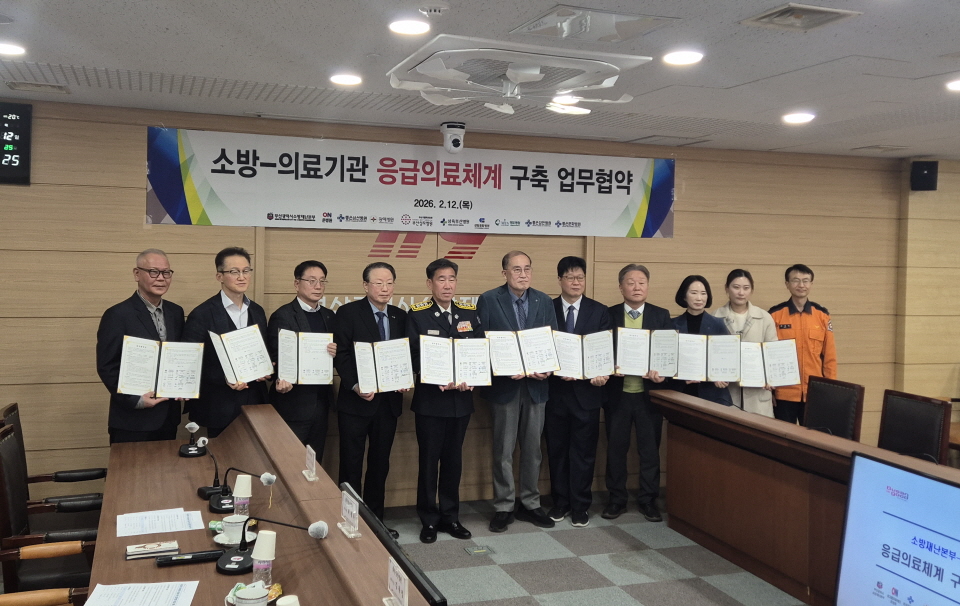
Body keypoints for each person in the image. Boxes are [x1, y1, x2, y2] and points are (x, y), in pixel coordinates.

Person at [477, 251, 558, 532]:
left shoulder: (544, 301)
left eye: (527, 269)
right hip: (505, 386)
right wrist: (499, 368)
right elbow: (481, 342)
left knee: (533, 449)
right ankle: (504, 506)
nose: (523, 275)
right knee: (504, 449)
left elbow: (552, 340)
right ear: (505, 273)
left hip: (536, 386)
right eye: (516, 269)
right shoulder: (489, 299)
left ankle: (531, 503)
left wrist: (547, 368)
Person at [406, 259, 481, 544]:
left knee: (453, 461)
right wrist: (433, 376)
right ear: (430, 284)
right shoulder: (418, 314)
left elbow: (479, 350)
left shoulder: (469, 313)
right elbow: (412, 355)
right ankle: (428, 519)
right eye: (441, 279)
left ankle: (451, 517)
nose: (447, 285)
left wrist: (472, 377)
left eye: (452, 279)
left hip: (460, 401)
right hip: (430, 402)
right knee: (429, 462)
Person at [333, 262, 407, 535]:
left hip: (387, 405)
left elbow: (405, 354)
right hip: (355, 403)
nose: (385, 288)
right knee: (351, 464)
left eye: (389, 283)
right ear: (365, 286)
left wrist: (404, 378)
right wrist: (354, 385)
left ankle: (376, 522)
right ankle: (349, 520)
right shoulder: (348, 313)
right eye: (378, 283)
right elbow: (341, 354)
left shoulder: (400, 316)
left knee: (379, 465)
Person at [602, 263, 673, 522]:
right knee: (616, 449)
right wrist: (608, 367)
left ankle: (648, 500)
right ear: (621, 287)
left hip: (648, 395)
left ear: (648, 286)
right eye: (630, 282)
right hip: (617, 394)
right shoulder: (607, 314)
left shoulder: (661, 315)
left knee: (650, 451)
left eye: (641, 282)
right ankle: (616, 499)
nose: (636, 287)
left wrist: (663, 373)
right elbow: (600, 350)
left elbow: (668, 353)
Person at [545, 256, 611, 528]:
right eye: (570, 277)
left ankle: (580, 506)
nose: (576, 282)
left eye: (580, 277)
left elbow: (605, 350)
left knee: (584, 453)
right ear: (559, 280)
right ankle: (560, 502)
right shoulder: (546, 309)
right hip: (555, 393)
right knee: (557, 450)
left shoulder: (599, 311)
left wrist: (602, 373)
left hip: (587, 394)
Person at [96, 249, 184, 443]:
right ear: (137, 274)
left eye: (166, 272)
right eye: (153, 272)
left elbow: (179, 357)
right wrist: (135, 400)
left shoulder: (176, 312)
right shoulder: (117, 315)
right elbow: (107, 366)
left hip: (169, 418)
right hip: (132, 421)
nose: (161, 278)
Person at [183, 247, 270, 437]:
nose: (242, 277)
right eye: (234, 272)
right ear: (219, 276)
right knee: (222, 454)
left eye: (246, 271)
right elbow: (190, 364)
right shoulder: (202, 314)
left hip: (255, 402)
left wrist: (266, 368)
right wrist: (224, 378)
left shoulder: (257, 311)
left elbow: (264, 350)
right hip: (219, 404)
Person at [266, 260, 337, 461]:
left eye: (322, 281)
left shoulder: (329, 316)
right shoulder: (283, 315)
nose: (318, 286)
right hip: (293, 403)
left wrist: (336, 351)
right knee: (289, 461)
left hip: (321, 402)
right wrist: (280, 378)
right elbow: (275, 355)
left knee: (314, 463)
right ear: (297, 284)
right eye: (311, 281)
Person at [768, 264, 837, 424]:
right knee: (783, 436)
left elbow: (830, 357)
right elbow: (767, 355)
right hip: (783, 393)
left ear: (811, 284)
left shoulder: (822, 315)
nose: (801, 285)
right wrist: (769, 391)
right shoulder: (775, 315)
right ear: (787, 284)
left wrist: (830, 389)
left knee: (813, 437)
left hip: (814, 392)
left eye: (805, 281)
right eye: (796, 280)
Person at [714, 269, 778, 417]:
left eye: (746, 288)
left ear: (751, 290)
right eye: (736, 287)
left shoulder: (765, 317)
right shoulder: (716, 316)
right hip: (727, 395)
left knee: (758, 431)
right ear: (726, 289)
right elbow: (711, 354)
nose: (741, 292)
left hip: (758, 397)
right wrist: (714, 375)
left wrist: (771, 377)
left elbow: (773, 354)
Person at [672, 275, 734, 406]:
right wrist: (681, 378)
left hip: (712, 396)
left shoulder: (718, 324)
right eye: (694, 293)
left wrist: (722, 376)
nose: (699, 298)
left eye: (703, 293)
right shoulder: (673, 325)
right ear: (684, 296)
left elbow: (729, 358)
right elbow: (668, 362)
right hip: (682, 393)